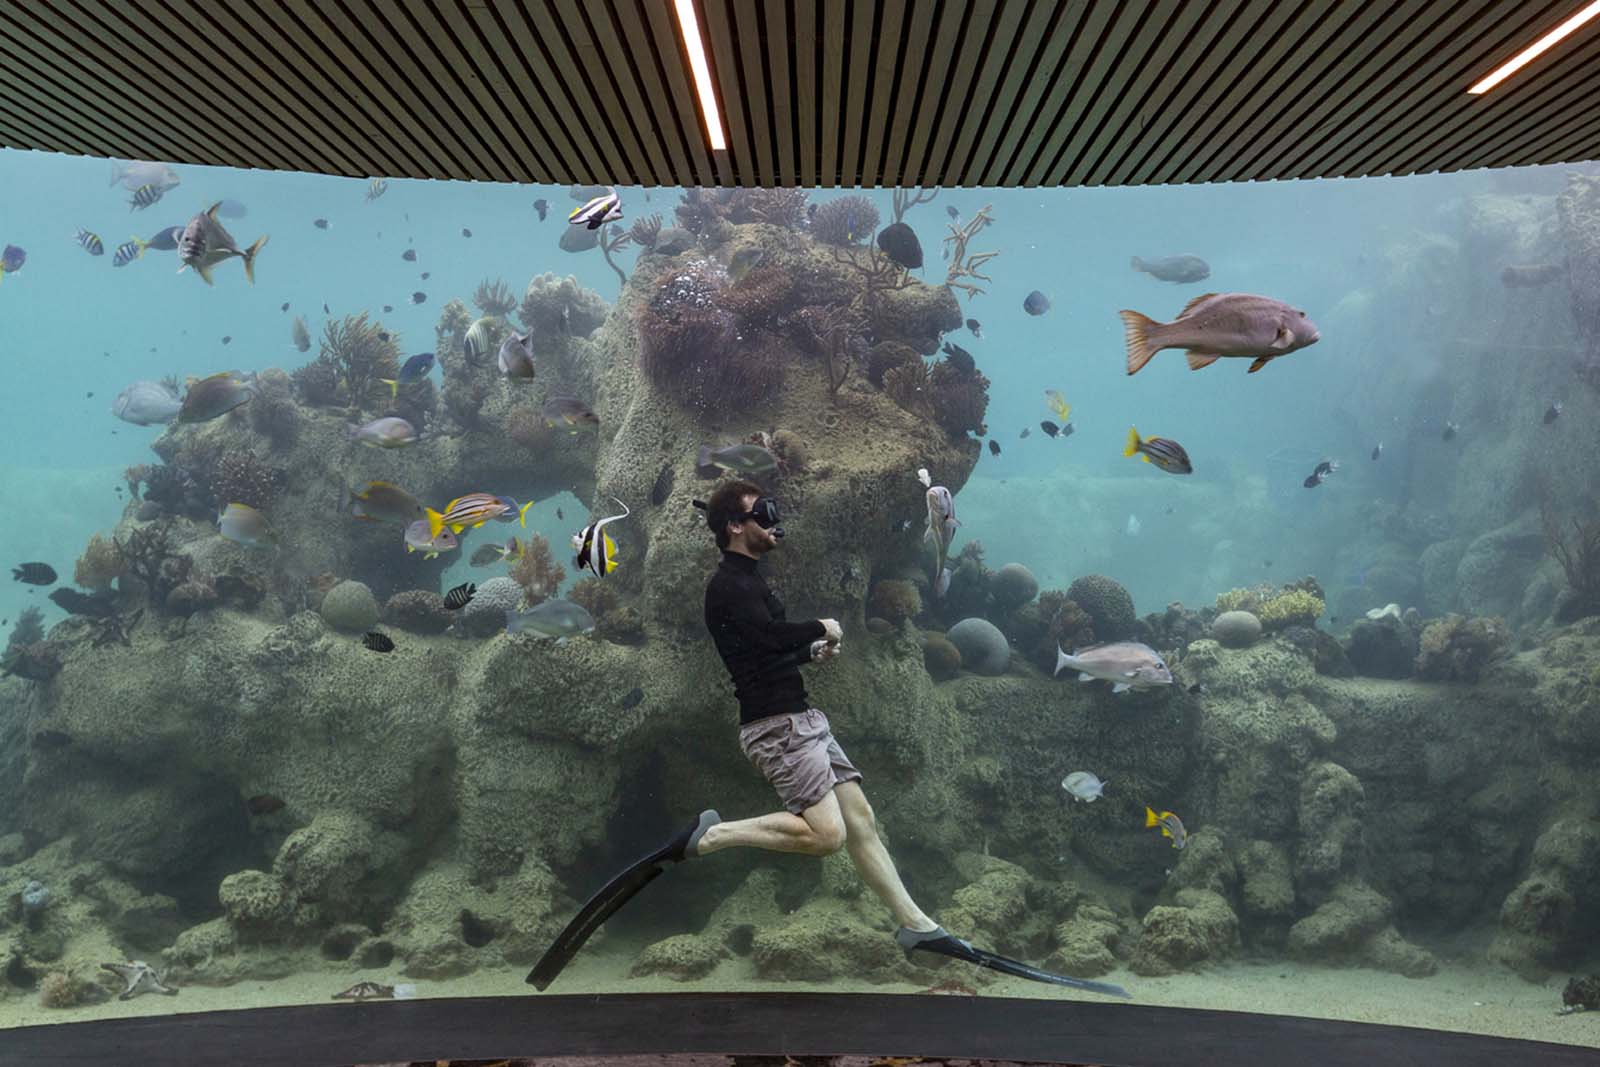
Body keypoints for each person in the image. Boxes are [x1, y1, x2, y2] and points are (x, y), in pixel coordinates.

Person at [663, 478, 963, 959]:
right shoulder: (728, 583)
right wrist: (819, 627)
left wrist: (806, 651)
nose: (774, 521)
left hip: (801, 719)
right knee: (827, 836)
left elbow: (758, 651)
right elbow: (764, 637)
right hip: (776, 727)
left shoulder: (748, 579)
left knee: (860, 818)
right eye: (763, 512)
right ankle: (714, 836)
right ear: (736, 526)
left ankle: (917, 926)